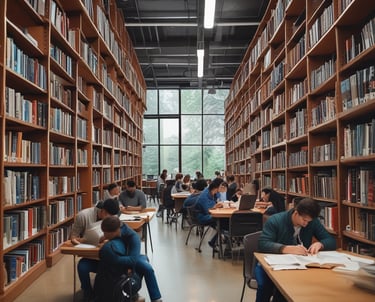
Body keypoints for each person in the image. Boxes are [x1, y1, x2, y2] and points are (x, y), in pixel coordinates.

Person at [255, 197, 336, 302]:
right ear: (296, 213)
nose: (306, 224)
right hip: (271, 266)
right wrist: (285, 248)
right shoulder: (275, 220)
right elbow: (263, 244)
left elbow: (331, 240)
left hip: (299, 267)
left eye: (309, 221)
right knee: (265, 286)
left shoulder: (312, 222)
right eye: (304, 220)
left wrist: (320, 244)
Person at [94, 216, 163, 302]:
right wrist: (103, 240)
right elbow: (104, 237)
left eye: (105, 233)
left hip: (133, 256)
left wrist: (115, 259)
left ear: (115, 232)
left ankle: (156, 299)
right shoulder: (116, 228)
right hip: (126, 256)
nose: (104, 235)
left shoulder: (133, 237)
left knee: (147, 268)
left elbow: (132, 260)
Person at [70, 199, 121, 301]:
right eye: (108, 216)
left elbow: (119, 238)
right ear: (102, 211)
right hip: (91, 255)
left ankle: (111, 292)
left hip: (108, 256)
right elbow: (73, 238)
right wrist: (82, 243)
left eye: (113, 217)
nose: (110, 219)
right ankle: (88, 292)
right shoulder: (83, 216)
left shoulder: (115, 218)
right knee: (82, 266)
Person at [194, 178, 226, 249]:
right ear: (216, 187)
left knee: (224, 221)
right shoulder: (204, 195)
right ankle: (217, 240)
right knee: (222, 221)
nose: (223, 187)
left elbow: (219, 198)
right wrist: (215, 206)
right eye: (221, 186)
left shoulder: (213, 192)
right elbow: (207, 211)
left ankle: (214, 241)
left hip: (210, 214)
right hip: (202, 216)